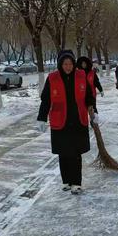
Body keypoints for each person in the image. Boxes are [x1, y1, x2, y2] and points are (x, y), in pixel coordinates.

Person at [37, 49, 95, 195]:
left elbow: (89, 96)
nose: (68, 66)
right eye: (65, 64)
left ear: (74, 64)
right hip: (60, 121)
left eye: (70, 63)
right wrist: (41, 118)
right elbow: (46, 100)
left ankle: (76, 183)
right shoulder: (52, 78)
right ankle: (67, 181)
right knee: (63, 153)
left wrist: (94, 112)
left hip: (78, 120)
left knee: (76, 153)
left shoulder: (81, 76)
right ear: (60, 64)